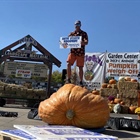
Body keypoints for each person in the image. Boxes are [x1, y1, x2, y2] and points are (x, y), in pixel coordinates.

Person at [66, 20, 88, 86]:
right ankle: (68, 79)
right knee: (68, 64)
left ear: (80, 25)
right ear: (74, 25)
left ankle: (81, 81)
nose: (77, 26)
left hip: (80, 52)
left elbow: (86, 42)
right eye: (76, 25)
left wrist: (82, 42)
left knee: (80, 67)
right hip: (73, 51)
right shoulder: (72, 34)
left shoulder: (84, 33)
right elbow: (66, 42)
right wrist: (67, 39)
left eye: (78, 25)